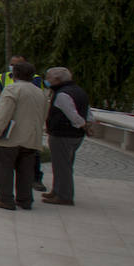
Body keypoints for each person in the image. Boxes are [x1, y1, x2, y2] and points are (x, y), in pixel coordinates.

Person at [0, 60, 47, 211]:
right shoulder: (39, 92)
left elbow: (4, 113)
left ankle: (6, 199)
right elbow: (44, 115)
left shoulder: (12, 89)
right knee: (26, 171)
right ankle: (25, 200)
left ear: (14, 74)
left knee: (4, 169)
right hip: (31, 138)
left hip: (10, 138)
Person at [42, 67, 94, 206]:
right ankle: (57, 190)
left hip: (63, 134)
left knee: (62, 166)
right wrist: (87, 125)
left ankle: (64, 196)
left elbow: (73, 115)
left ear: (57, 79)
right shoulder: (79, 91)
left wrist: (83, 124)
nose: (46, 80)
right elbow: (87, 111)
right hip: (75, 135)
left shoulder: (62, 94)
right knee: (63, 163)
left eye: (48, 78)